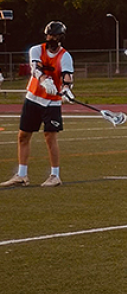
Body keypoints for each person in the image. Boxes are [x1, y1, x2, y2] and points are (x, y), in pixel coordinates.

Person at [2, 21, 74, 188]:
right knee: (23, 136)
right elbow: (35, 68)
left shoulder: (65, 56)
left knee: (50, 137)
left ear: (61, 37)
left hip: (52, 102)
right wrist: (43, 80)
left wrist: (66, 89)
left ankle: (55, 175)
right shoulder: (36, 50)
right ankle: (22, 175)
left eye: (55, 36)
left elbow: (67, 76)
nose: (51, 38)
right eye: (49, 35)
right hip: (33, 97)